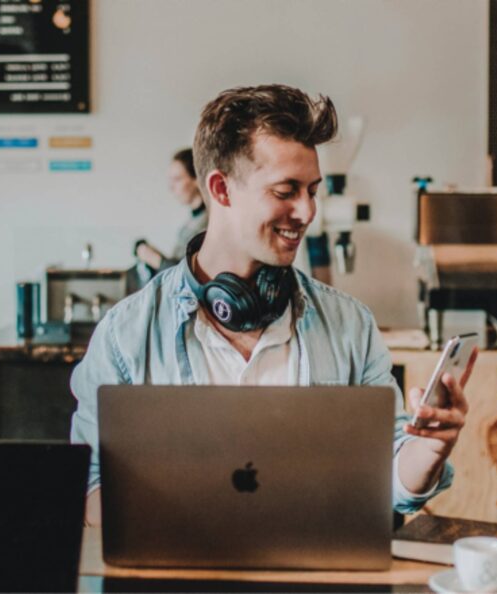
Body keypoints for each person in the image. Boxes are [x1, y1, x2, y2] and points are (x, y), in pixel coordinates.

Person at [71, 84, 476, 526]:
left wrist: (429, 449)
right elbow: (90, 487)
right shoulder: (124, 336)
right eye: (286, 191)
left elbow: (390, 481)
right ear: (221, 190)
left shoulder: (350, 325)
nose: (307, 212)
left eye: (312, 190)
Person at [134, 148, 209, 272]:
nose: (171, 187)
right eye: (170, 180)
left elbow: (188, 276)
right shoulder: (193, 219)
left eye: (177, 179)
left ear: (196, 179)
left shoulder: (208, 222)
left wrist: (153, 258)